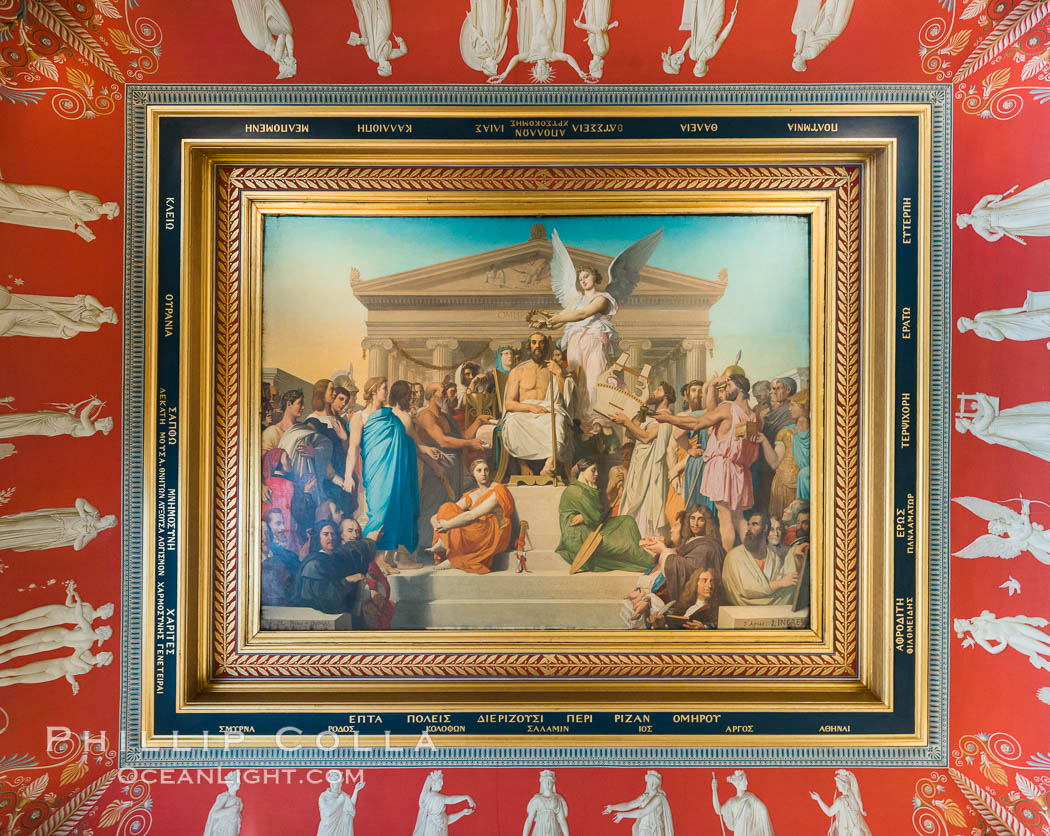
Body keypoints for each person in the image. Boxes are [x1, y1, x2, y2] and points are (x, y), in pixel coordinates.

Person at [655, 373, 761, 551]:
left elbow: (697, 423)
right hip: (740, 471)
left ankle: (725, 563)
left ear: (741, 389)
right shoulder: (753, 415)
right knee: (739, 518)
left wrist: (669, 419)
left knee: (725, 518)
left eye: (729, 386)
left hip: (723, 468)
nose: (726, 390)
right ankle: (752, 557)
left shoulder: (728, 408)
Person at [346, 377, 430, 574]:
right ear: (374, 391)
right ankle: (372, 560)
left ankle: (385, 559)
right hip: (376, 471)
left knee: (394, 511)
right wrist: (348, 475)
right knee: (379, 513)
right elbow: (353, 448)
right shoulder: (360, 417)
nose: (386, 392)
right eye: (384, 388)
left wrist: (426, 450)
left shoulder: (391, 415)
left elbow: (408, 441)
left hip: (395, 470)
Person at [415, 381, 490, 552]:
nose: (446, 396)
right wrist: (470, 442)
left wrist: (478, 421)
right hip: (435, 469)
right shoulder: (426, 416)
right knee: (432, 507)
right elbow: (443, 441)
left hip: (453, 470)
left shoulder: (446, 416)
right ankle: (426, 547)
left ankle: (446, 547)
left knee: (449, 507)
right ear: (432, 396)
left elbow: (462, 436)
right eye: (442, 392)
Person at [555, 457, 652, 572]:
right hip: (579, 535)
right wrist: (587, 515)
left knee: (627, 521)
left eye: (597, 471)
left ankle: (639, 550)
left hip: (591, 526)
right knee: (623, 545)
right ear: (582, 471)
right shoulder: (576, 491)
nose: (596, 474)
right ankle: (643, 558)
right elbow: (596, 516)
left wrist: (585, 516)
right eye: (593, 470)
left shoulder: (586, 487)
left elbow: (598, 514)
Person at [500, 332, 574, 477]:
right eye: (534, 343)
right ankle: (523, 465)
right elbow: (509, 404)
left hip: (547, 411)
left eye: (541, 343)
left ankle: (550, 463)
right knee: (512, 421)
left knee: (558, 420)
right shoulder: (518, 371)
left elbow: (565, 397)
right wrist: (530, 407)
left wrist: (559, 374)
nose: (537, 347)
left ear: (546, 346)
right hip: (524, 412)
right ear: (529, 346)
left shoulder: (554, 369)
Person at [427, 458, 514, 574]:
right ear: (473, 474)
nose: (483, 474)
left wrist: (447, 525)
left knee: (467, 521)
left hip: (494, 533)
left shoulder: (497, 490)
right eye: (479, 471)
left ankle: (453, 556)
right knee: (448, 507)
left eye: (486, 470)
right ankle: (443, 543)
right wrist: (434, 521)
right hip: (478, 529)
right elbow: (446, 511)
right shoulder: (473, 494)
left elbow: (472, 515)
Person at [613, 382, 676, 538]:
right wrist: (639, 409)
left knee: (646, 505)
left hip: (651, 470)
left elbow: (646, 437)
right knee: (635, 503)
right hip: (641, 467)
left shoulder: (664, 416)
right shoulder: (651, 415)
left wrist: (626, 421)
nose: (653, 392)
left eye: (658, 389)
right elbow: (631, 434)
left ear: (666, 396)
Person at [647, 504, 725, 604]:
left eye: (701, 519)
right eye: (692, 518)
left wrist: (663, 550)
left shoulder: (707, 547)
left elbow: (690, 570)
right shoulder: (694, 541)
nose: (695, 524)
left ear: (707, 522)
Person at [721, 512, 797, 606]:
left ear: (765, 528)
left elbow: (783, 586)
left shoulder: (774, 559)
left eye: (754, 524)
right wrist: (780, 583)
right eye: (748, 524)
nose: (749, 529)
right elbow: (748, 589)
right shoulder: (734, 556)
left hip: (771, 608)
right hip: (741, 609)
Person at [757, 389, 810, 518]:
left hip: (807, 484)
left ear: (803, 408)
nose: (789, 409)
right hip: (783, 486)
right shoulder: (785, 432)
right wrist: (764, 441)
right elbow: (774, 463)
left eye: (793, 405)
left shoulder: (818, 433)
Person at [955, 392, 1050, 462]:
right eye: (963, 421)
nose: (965, 419)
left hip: (1006, 423)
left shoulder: (976, 423)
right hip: (1006, 429)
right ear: (965, 426)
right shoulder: (977, 428)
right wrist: (983, 399)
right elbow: (989, 415)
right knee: (1033, 429)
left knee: (1032, 422)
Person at [0, 580, 112, 638]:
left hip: (54, 621)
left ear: (104, 615)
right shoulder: (88, 606)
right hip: (56, 609)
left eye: (105, 609)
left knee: (15, 627)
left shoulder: (89, 623)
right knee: (16, 619)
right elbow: (69, 604)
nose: (103, 607)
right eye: (105, 606)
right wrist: (69, 593)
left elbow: (75, 631)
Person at [0, 497, 116, 552]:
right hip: (56, 522)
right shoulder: (95, 514)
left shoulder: (93, 533)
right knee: (22, 525)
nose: (108, 516)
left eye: (110, 519)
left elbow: (77, 547)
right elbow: (80, 501)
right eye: (110, 515)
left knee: (23, 538)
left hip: (56, 534)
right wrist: (82, 514)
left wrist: (81, 534)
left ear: (109, 525)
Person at [956, 178, 1050, 244]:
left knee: (1028, 206)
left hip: (1004, 210)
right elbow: (990, 238)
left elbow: (985, 198)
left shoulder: (975, 210)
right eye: (963, 216)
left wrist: (996, 197)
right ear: (965, 222)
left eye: (963, 215)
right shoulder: (977, 228)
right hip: (1005, 222)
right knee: (1029, 220)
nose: (965, 214)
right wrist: (1000, 234)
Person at [958, 291, 1050, 350]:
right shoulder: (980, 332)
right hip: (1015, 332)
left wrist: (1022, 308)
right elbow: (999, 338)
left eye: (965, 318)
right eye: (965, 321)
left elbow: (1001, 312)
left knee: (1043, 317)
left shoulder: (979, 316)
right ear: (966, 328)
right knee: (1043, 331)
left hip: (1016, 320)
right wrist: (989, 327)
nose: (968, 318)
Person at [0, 648, 113, 694]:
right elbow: (74, 658)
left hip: (56, 674)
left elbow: (69, 673)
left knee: (19, 679)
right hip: (54, 664)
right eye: (105, 653)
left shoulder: (87, 669)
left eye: (105, 657)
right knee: (17, 672)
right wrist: (86, 666)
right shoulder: (87, 652)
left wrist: (73, 683)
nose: (102, 654)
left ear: (102, 662)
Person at [0, 396, 112, 439]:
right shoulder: (90, 426)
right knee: (18, 418)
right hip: (51, 418)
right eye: (102, 419)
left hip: (49, 426)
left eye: (102, 422)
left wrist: (92, 403)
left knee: (20, 427)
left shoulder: (90, 430)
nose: (100, 419)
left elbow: (83, 416)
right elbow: (75, 420)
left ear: (104, 428)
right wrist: (71, 412)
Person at [347, 0, 408, 77]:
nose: (391, 66)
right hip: (386, 29)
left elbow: (367, 42)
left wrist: (359, 41)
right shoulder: (388, 55)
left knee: (371, 10)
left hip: (373, 29)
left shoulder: (372, 56)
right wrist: (401, 41)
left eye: (389, 68)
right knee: (383, 5)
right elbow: (403, 51)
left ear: (382, 67)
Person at [602, 770, 674, 833]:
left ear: (657, 784)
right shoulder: (644, 797)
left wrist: (623, 815)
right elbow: (629, 805)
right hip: (642, 829)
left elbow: (641, 812)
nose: (651, 784)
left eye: (654, 782)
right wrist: (612, 807)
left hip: (652, 830)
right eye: (650, 781)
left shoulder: (658, 798)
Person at [412, 770, 475, 835]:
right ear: (433, 784)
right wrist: (466, 797)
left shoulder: (436, 815)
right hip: (434, 831)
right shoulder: (436, 797)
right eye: (440, 782)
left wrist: (462, 813)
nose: (442, 783)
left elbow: (446, 820)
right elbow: (451, 800)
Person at [712, 770, 775, 835]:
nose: (747, 783)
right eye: (744, 781)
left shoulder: (751, 797)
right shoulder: (732, 802)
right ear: (738, 783)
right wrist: (714, 790)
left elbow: (763, 809)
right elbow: (718, 810)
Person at [810, 769, 871, 836]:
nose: (836, 786)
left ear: (842, 784)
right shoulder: (850, 800)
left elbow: (829, 812)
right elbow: (830, 812)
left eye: (837, 784)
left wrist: (818, 799)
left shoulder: (842, 800)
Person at [316, 769, 365, 836]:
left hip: (341, 830)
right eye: (334, 783)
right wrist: (339, 800)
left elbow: (350, 808)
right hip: (326, 830)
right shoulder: (323, 796)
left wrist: (356, 790)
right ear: (331, 784)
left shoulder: (343, 795)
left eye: (338, 784)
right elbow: (328, 812)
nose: (336, 786)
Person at [523, 769, 569, 836]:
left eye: (549, 782)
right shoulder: (537, 799)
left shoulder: (557, 799)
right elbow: (529, 820)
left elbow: (562, 820)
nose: (547, 784)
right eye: (545, 782)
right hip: (540, 829)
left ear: (553, 783)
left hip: (554, 829)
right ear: (542, 783)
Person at [203, 770, 243, 836]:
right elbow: (215, 814)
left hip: (233, 827)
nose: (239, 783)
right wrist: (230, 809)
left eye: (239, 781)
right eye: (237, 780)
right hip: (223, 828)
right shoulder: (225, 796)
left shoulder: (239, 800)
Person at [262, 389, 304, 454]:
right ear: (289, 404)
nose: (303, 407)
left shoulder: (303, 429)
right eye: (300, 403)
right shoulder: (271, 432)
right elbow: (265, 459)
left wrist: (312, 452)